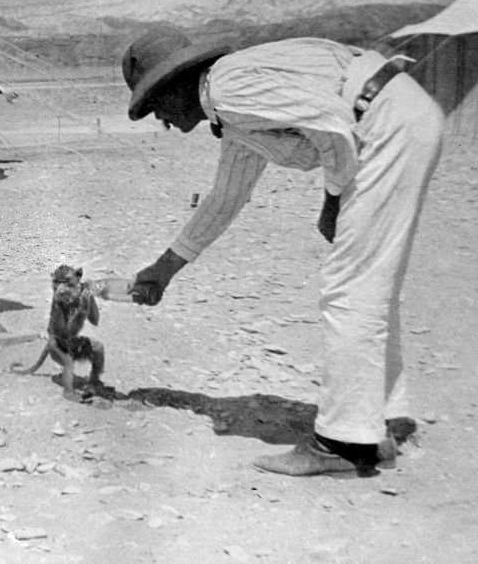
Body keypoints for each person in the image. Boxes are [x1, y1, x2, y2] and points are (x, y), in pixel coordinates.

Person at [96, 29, 443, 477]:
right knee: (370, 286)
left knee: (349, 288)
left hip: (384, 126)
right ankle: (381, 422)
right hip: (402, 117)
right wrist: (164, 270)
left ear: (177, 84)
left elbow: (334, 128)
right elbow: (227, 197)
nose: (158, 118)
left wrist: (332, 200)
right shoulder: (232, 111)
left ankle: (341, 443)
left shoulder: (229, 87)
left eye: (155, 103)